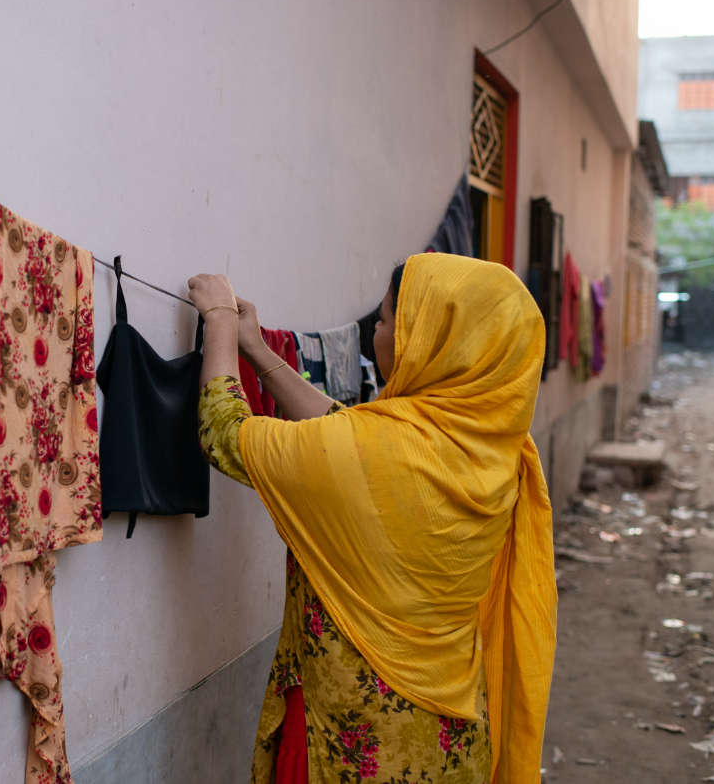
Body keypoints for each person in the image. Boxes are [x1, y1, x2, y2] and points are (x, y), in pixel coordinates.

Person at [188, 252, 557, 784]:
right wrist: (256, 349)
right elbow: (346, 433)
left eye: (385, 321)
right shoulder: (494, 449)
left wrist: (219, 322)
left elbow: (223, 433)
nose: (376, 333)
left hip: (354, 742)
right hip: (451, 736)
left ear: (426, 339)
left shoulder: (374, 448)